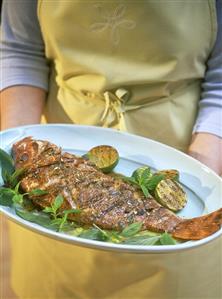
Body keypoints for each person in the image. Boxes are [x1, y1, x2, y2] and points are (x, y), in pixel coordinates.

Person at [0, 1, 222, 298]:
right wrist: (14, 147)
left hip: (181, 143)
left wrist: (201, 174)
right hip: (67, 138)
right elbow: (20, 50)